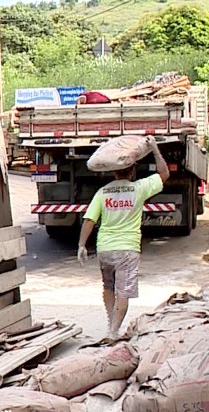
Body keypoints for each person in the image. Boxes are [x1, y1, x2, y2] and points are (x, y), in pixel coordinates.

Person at [78, 136, 170, 339]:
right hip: (127, 250)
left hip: (105, 250)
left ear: (113, 171)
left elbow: (89, 220)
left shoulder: (103, 192)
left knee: (108, 287)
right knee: (124, 292)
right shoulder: (139, 189)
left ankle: (111, 322)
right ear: (132, 171)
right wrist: (154, 148)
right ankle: (113, 331)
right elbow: (164, 173)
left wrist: (81, 246)